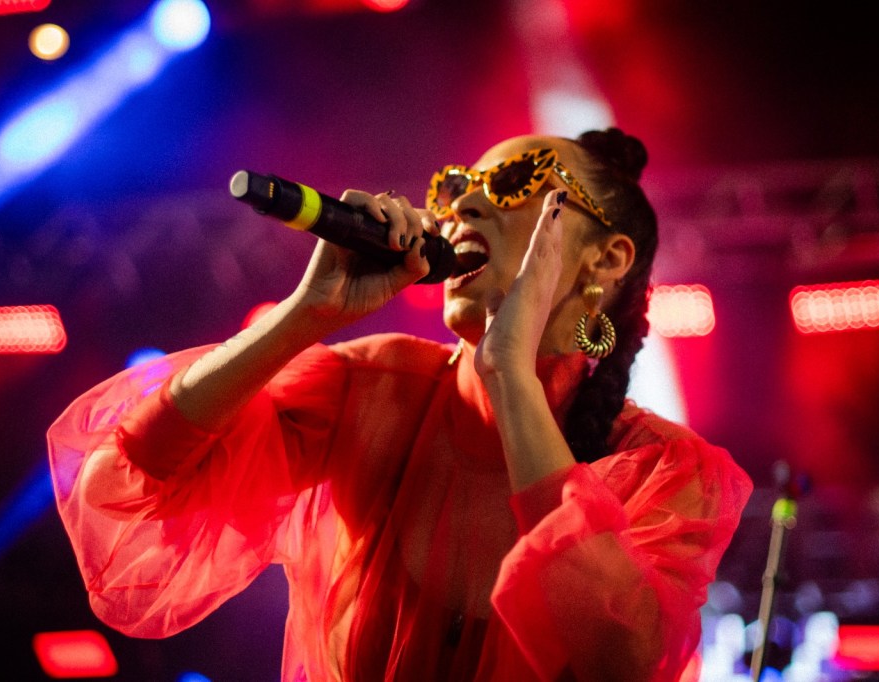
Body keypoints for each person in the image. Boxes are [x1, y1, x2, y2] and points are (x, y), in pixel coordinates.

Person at [47, 128, 752, 681]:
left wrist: (509, 371)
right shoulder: (372, 387)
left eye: (513, 182)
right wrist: (303, 317)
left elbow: (621, 667)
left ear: (607, 259)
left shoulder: (667, 472)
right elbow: (132, 486)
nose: (463, 206)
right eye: (455, 188)